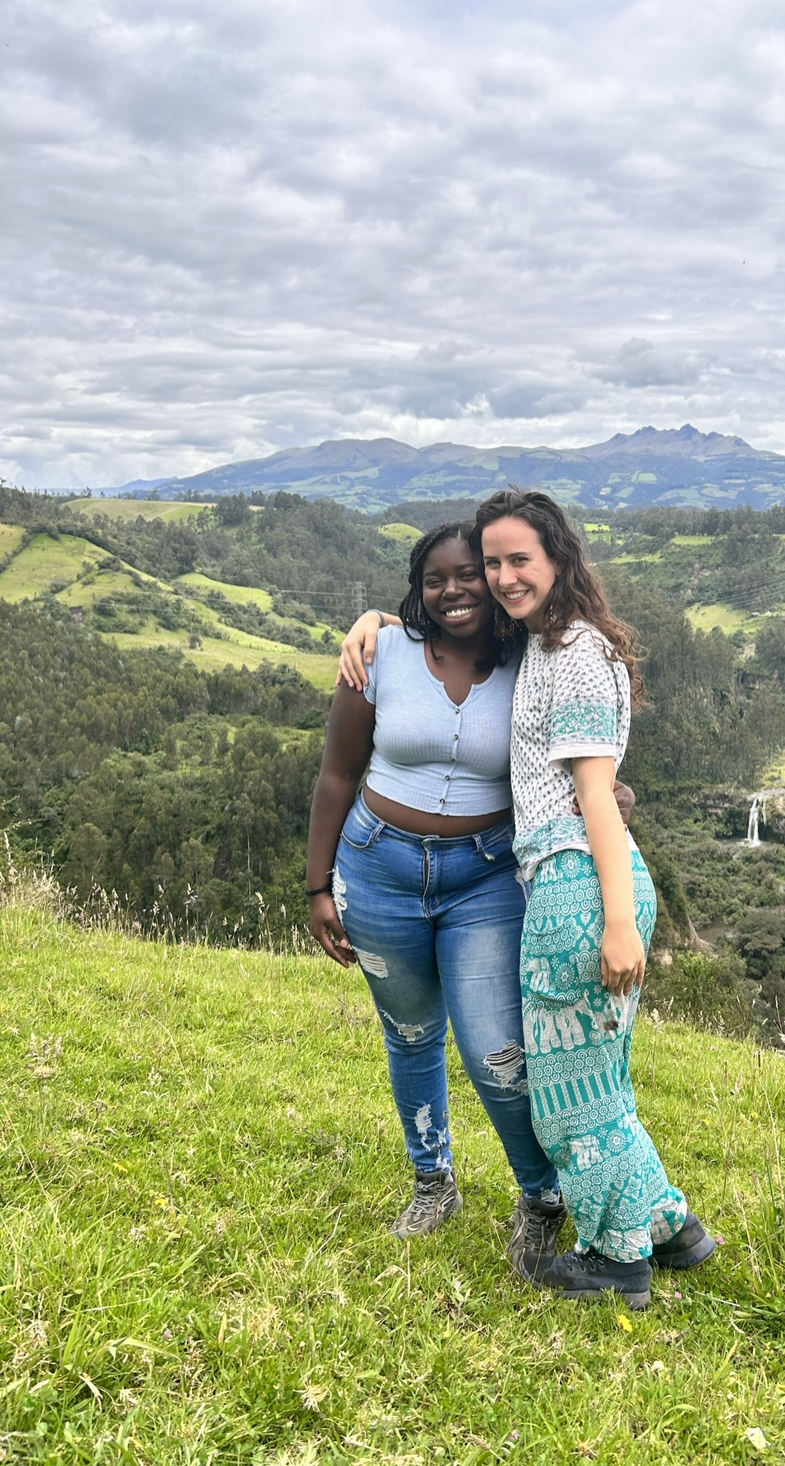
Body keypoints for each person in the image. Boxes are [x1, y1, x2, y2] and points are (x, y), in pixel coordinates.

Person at [473, 489, 715, 1310]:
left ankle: (616, 1258)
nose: (505, 576)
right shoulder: (552, 641)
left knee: (568, 1092)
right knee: (601, 1079)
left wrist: (616, 921)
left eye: (520, 560)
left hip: (579, 885)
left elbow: (598, 797)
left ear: (558, 560)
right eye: (493, 562)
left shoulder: (572, 650)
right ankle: (669, 1225)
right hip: (587, 883)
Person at [307, 523, 568, 1267]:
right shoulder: (379, 654)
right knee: (412, 1032)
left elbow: (567, 754)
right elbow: (336, 773)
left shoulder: (530, 660)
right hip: (377, 869)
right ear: (416, 589)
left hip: (484, 877)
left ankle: (540, 1194)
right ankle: (433, 1177)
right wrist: (318, 884)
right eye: (434, 579)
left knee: (496, 1050)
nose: (453, 590)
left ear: (493, 581)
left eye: (469, 575)